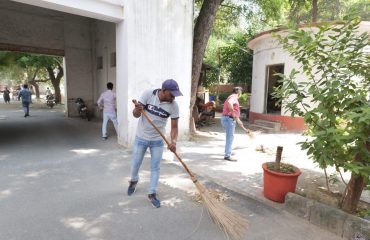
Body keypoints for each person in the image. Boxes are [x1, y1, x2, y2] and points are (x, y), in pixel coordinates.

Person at [127, 79, 182, 208]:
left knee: (155, 167)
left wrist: (173, 141)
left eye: (175, 95)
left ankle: (152, 193)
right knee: (135, 163)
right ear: (163, 90)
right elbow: (135, 115)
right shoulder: (148, 94)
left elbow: (174, 127)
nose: (174, 97)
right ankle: (134, 180)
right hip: (141, 137)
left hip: (157, 140)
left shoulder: (174, 106)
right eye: (172, 94)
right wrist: (138, 110)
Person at [221, 87, 251, 161]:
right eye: (241, 92)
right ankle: (227, 155)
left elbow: (231, 107)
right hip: (229, 119)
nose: (241, 94)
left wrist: (237, 119)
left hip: (228, 119)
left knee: (230, 136)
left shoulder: (232, 97)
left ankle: (228, 151)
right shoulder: (233, 97)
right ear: (238, 92)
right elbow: (229, 103)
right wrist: (234, 114)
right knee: (230, 137)